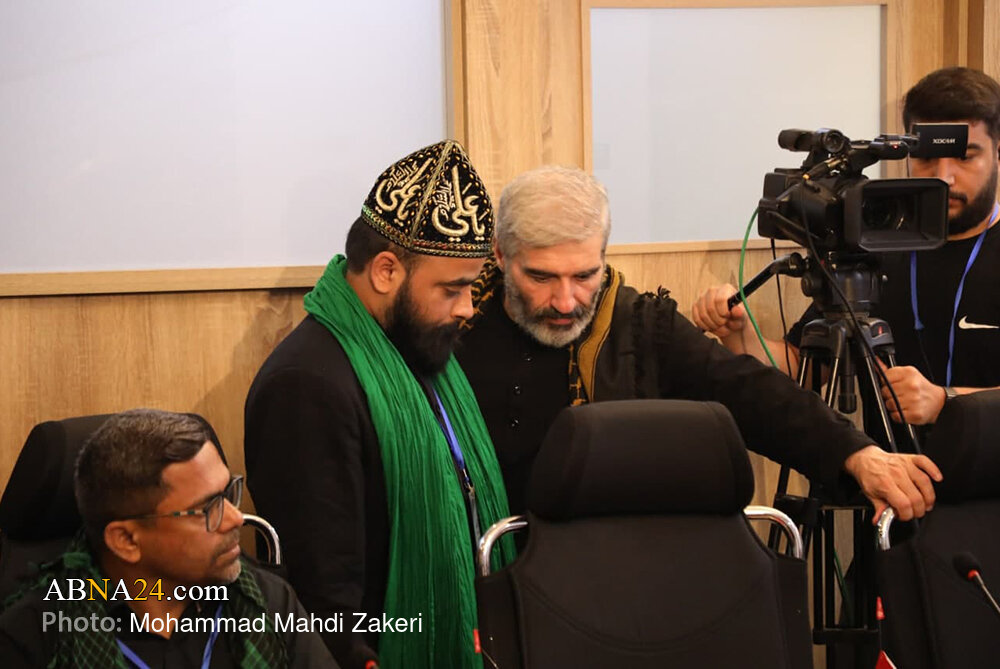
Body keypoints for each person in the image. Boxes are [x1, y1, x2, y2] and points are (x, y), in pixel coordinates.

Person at [456, 165, 942, 525]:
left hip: (597, 563)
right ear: (500, 255)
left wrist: (856, 453)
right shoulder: (454, 325)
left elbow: (750, 392)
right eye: (541, 278)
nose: (566, 302)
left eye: (584, 276)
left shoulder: (638, 326)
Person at [244, 141, 514, 669]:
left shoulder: (415, 350)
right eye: (452, 289)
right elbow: (321, 593)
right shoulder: (306, 385)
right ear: (386, 270)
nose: (467, 307)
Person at [693, 67, 1000, 427]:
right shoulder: (872, 245)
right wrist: (740, 334)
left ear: (997, 152)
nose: (944, 176)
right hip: (889, 464)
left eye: (965, 157)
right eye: (926, 158)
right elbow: (800, 368)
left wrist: (947, 401)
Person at [0, 408, 335, 668]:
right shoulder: (33, 639)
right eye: (208, 508)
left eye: (227, 493)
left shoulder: (267, 601)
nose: (236, 518)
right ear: (126, 540)